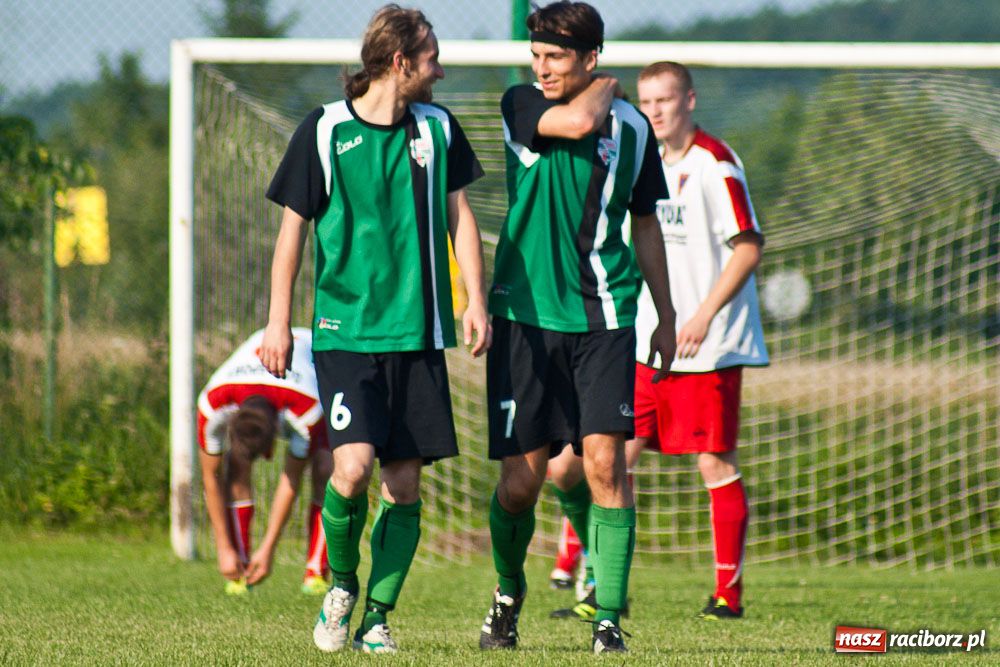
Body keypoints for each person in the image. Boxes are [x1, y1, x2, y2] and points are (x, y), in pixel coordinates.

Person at [258, 4, 490, 655]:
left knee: (404, 485)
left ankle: (378, 616)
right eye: (432, 57)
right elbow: (291, 234)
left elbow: (460, 216)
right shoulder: (326, 130)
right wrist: (279, 322)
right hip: (345, 332)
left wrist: (474, 300)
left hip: (417, 336)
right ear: (400, 61)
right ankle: (341, 583)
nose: (440, 70)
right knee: (353, 468)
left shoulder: (439, 129)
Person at [478, 1, 676, 655]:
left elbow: (644, 222)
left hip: (606, 318)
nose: (541, 66)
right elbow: (581, 117)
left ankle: (609, 618)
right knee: (522, 481)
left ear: (588, 57)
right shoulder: (522, 104)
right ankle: (508, 594)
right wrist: (607, 85)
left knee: (605, 466)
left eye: (555, 56)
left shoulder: (636, 131)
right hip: (525, 318)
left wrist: (666, 313)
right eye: (536, 54)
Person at [636, 60, 768, 619]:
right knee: (608, 454)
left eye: (665, 100)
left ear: (689, 100)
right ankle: (589, 581)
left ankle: (727, 595)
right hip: (647, 342)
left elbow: (748, 246)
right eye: (646, 103)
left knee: (714, 463)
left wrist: (703, 316)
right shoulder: (641, 165)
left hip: (707, 346)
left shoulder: (715, 164)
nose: (655, 112)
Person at [197, 327, 331, 597]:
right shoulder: (212, 405)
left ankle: (316, 570)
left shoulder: (304, 411)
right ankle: (240, 566)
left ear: (274, 442)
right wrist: (224, 548)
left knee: (327, 469)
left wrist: (269, 547)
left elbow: (290, 478)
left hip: (319, 359)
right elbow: (210, 477)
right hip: (263, 356)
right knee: (236, 468)